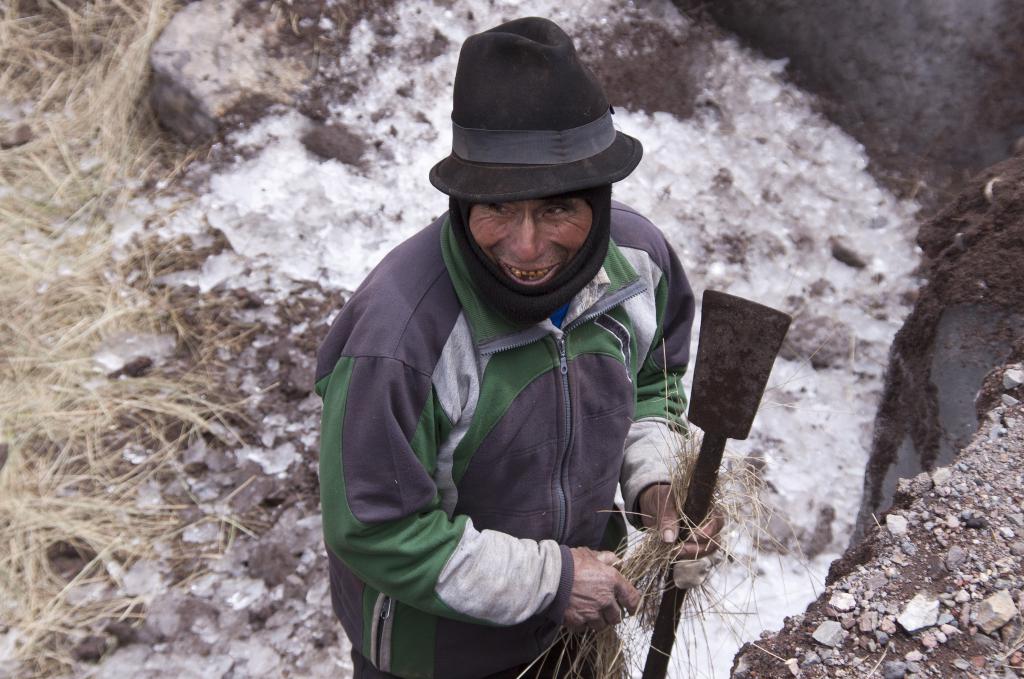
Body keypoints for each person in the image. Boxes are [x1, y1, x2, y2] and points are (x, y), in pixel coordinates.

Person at [315, 17, 723, 679]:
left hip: (579, 631)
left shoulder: (639, 267)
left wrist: (654, 480)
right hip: (439, 656)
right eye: (497, 207)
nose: (526, 247)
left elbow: (652, 385)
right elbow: (377, 529)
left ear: (599, 196)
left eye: (558, 208)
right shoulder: (398, 340)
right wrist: (551, 579)